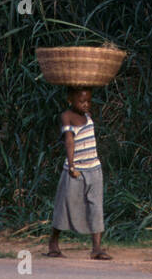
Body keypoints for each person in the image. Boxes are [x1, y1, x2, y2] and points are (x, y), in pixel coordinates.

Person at [46, 86, 110, 260]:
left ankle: (96, 248)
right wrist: (72, 166)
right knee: (65, 205)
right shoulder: (67, 116)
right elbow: (69, 141)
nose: (86, 104)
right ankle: (53, 243)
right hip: (75, 170)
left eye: (88, 101)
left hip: (94, 168)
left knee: (96, 206)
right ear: (70, 101)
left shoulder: (88, 117)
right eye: (81, 101)